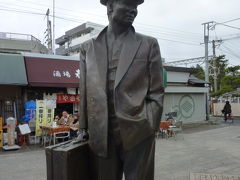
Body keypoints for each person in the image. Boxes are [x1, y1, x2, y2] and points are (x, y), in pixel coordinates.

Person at [78, 0, 164, 179]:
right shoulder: (88, 48)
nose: (134, 10)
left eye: (136, 6)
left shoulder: (148, 44)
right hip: (101, 134)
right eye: (128, 4)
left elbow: (156, 91)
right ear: (110, 7)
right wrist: (83, 128)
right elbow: (84, 92)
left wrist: (150, 123)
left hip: (139, 130)